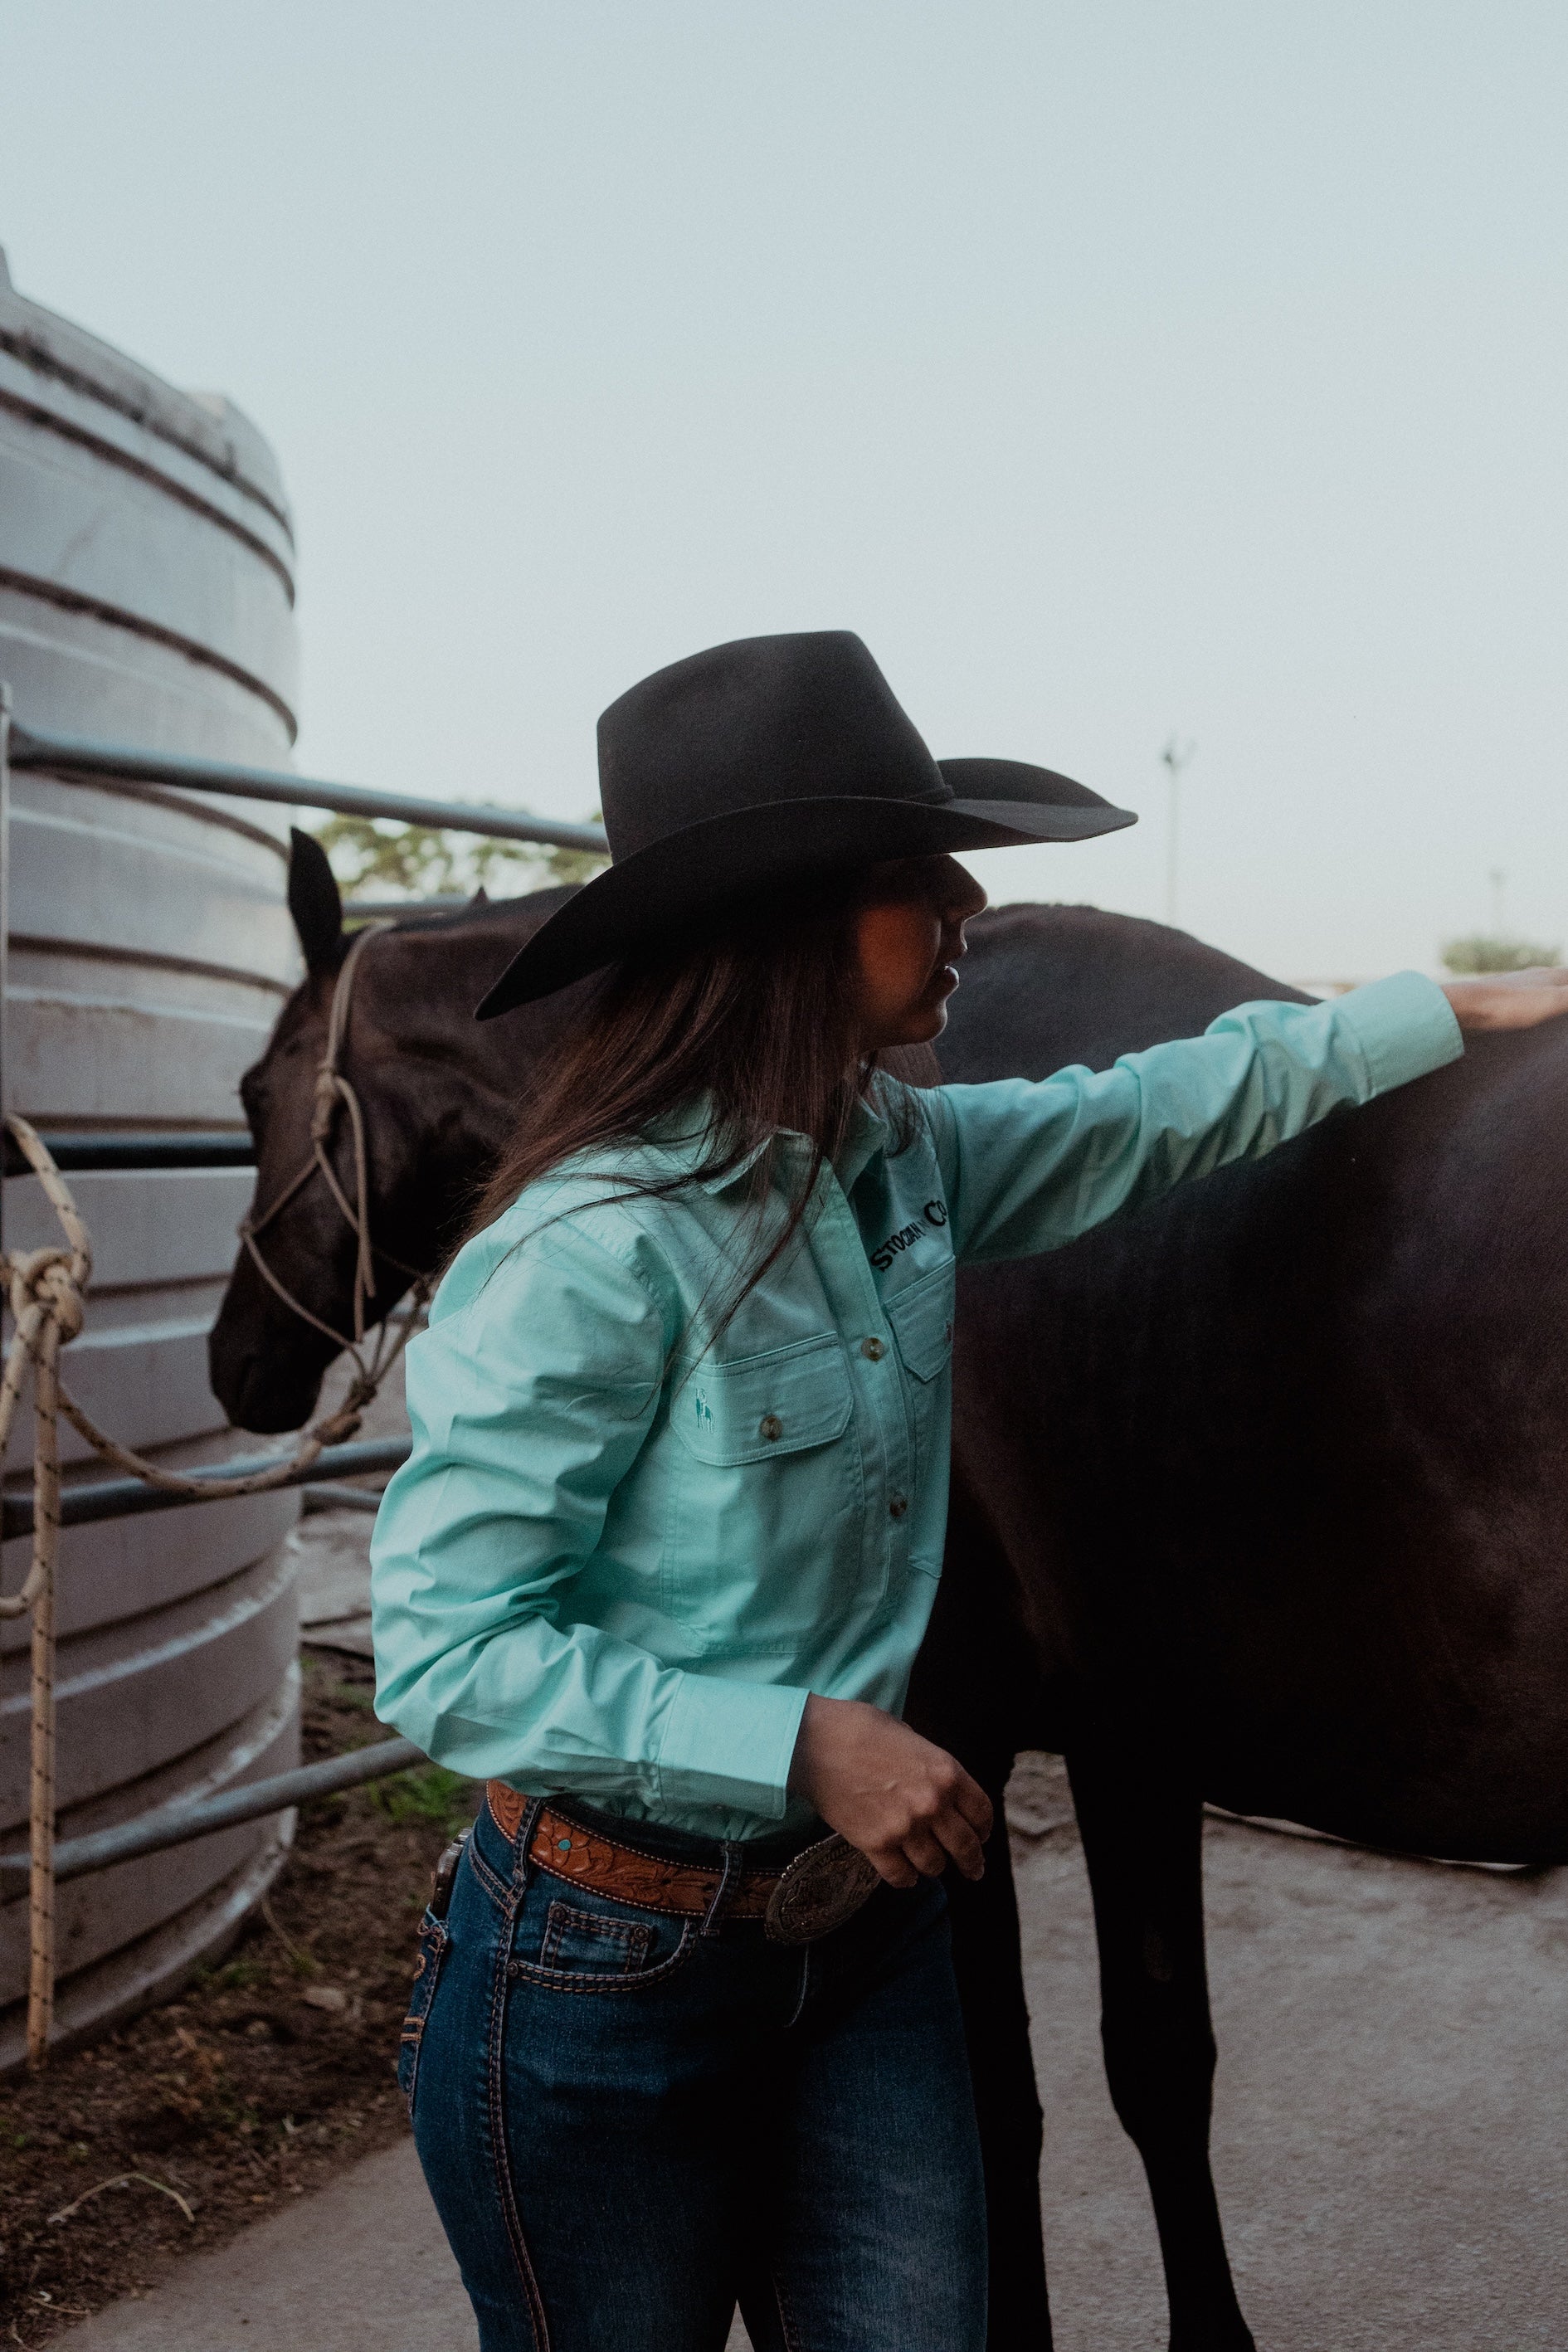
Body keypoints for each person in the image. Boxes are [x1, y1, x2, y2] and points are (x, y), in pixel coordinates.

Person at [370, 631, 1568, 2352]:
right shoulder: (581, 1254)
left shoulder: (904, 1159)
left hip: (859, 1941)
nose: (959, 899)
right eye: (906, 873)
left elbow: (1155, 1111)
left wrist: (1434, 1008)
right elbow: (439, 1650)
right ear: (776, 922)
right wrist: (799, 1739)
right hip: (600, 1964)